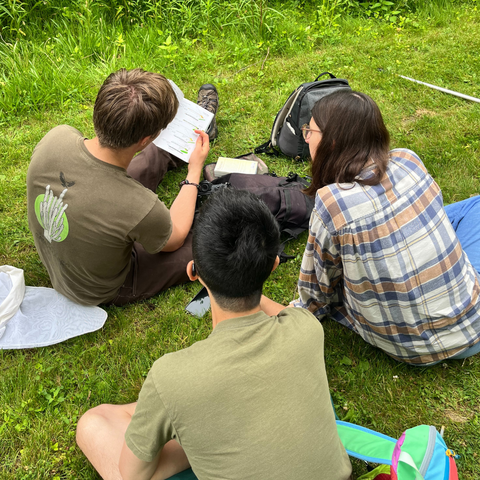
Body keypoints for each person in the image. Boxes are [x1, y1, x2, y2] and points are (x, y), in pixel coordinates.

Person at [75, 189, 353, 480]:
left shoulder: (170, 378)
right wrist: (248, 276)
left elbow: (133, 475)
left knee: (93, 423)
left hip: (182, 402)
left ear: (193, 272)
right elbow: (285, 313)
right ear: (273, 266)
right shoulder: (306, 328)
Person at [262, 90, 480, 366]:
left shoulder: (332, 202)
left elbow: (316, 296)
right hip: (474, 322)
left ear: (333, 141)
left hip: (410, 349)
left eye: (310, 130)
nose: (306, 137)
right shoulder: (408, 160)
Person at [26, 68, 219, 306]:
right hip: (103, 288)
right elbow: (175, 237)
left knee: (144, 163)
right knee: (213, 240)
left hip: (63, 262)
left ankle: (194, 130)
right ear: (146, 140)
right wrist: (194, 170)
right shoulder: (139, 205)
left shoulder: (57, 137)